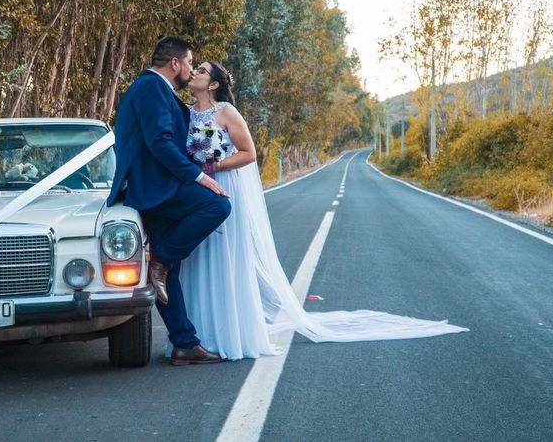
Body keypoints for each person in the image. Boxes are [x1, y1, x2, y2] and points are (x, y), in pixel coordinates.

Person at [177, 61, 468, 360]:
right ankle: (198, 336)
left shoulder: (226, 111)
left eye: (200, 70)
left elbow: (249, 153)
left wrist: (215, 164)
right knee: (200, 258)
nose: (194, 72)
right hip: (198, 189)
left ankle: (229, 336)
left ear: (213, 84)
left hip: (224, 186)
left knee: (225, 257)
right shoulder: (185, 112)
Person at [107, 37, 231, 365]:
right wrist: (199, 177)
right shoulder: (151, 87)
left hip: (156, 187)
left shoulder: (156, 89)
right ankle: (159, 261)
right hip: (157, 188)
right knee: (217, 205)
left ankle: (184, 344)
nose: (191, 70)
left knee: (168, 275)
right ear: (175, 63)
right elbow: (160, 142)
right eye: (190, 63)